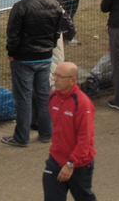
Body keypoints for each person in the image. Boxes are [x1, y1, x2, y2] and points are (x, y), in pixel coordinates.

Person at [2, 0, 63, 147]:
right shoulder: (55, 5)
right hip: (44, 58)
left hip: (24, 59)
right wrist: (48, 49)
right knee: (44, 96)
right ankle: (46, 133)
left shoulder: (21, 6)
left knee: (23, 98)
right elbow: (56, 32)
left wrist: (12, 53)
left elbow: (12, 35)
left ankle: (22, 137)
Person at [42, 62, 97, 201]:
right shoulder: (53, 97)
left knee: (83, 197)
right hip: (55, 159)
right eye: (55, 75)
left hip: (79, 164)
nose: (55, 79)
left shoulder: (82, 103)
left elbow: (85, 139)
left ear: (72, 80)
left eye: (60, 76)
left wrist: (71, 164)